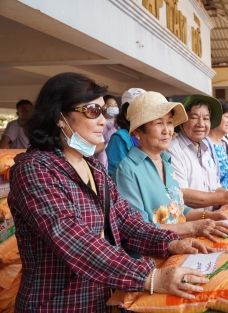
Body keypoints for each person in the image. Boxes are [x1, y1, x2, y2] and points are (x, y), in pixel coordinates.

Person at [8, 72, 213, 312]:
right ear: (60, 117)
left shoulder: (93, 167)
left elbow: (125, 221)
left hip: (102, 299)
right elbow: (74, 240)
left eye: (103, 112)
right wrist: (151, 277)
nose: (103, 122)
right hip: (60, 304)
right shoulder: (35, 170)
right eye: (93, 111)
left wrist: (170, 243)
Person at [113, 91, 228, 244]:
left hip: (181, 245)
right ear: (137, 130)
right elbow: (138, 230)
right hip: (154, 258)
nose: (167, 130)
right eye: (158, 123)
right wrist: (193, 228)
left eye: (169, 122)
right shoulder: (127, 171)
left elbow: (178, 211)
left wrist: (209, 216)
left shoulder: (166, 162)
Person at [167, 94, 228, 211]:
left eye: (206, 119)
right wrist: (226, 197)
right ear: (181, 122)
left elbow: (215, 186)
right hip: (191, 223)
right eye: (194, 117)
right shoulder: (173, 150)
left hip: (211, 217)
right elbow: (182, 194)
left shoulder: (205, 147)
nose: (201, 124)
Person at [106, 88, 146, 175]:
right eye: (137, 108)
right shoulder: (120, 138)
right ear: (126, 113)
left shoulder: (151, 134)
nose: (143, 112)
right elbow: (116, 174)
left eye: (146, 108)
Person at [207, 99, 228, 189]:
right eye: (227, 116)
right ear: (215, 117)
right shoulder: (205, 145)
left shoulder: (223, 144)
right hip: (217, 200)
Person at [96, 95, 119, 168]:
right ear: (104, 107)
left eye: (115, 105)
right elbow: (106, 138)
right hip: (105, 154)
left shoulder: (115, 122)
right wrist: (117, 125)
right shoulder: (102, 122)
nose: (114, 107)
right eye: (110, 105)